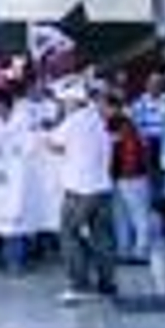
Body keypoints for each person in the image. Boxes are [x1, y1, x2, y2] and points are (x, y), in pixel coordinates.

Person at [44, 79, 116, 305]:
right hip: (102, 187)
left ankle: (80, 285)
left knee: (69, 235)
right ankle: (107, 283)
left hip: (79, 190)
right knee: (102, 237)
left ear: (71, 101)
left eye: (62, 102)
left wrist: (52, 129)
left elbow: (52, 144)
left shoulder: (73, 122)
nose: (61, 106)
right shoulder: (97, 119)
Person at [105, 95, 151, 265]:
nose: (103, 110)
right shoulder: (112, 124)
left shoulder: (125, 124)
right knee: (121, 215)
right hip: (118, 177)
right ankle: (123, 250)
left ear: (115, 108)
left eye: (106, 107)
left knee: (138, 214)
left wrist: (128, 172)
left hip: (132, 176)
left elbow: (131, 151)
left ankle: (141, 251)